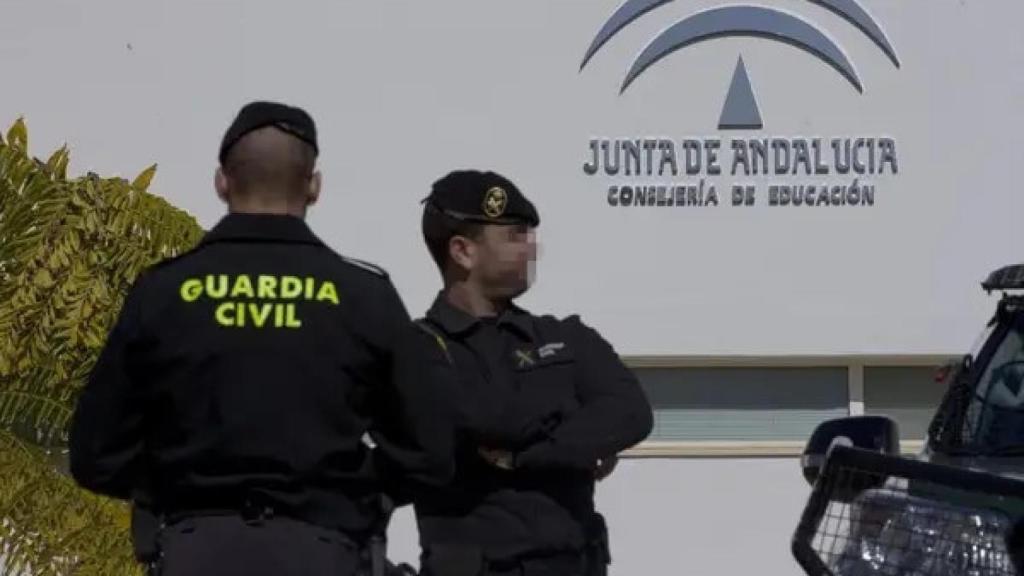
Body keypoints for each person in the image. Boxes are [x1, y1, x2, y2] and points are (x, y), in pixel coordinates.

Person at [69, 101, 449, 576]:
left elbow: (94, 455)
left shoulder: (163, 292)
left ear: (222, 181)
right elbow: (431, 452)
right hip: (326, 551)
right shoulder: (363, 296)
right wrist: (356, 488)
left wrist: (172, 482)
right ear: (313, 186)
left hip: (194, 551)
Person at [408, 169, 654, 576]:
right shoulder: (417, 347)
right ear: (462, 251)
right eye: (515, 235)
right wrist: (578, 435)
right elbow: (484, 417)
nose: (532, 248)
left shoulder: (565, 336)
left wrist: (524, 456)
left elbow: (631, 413)